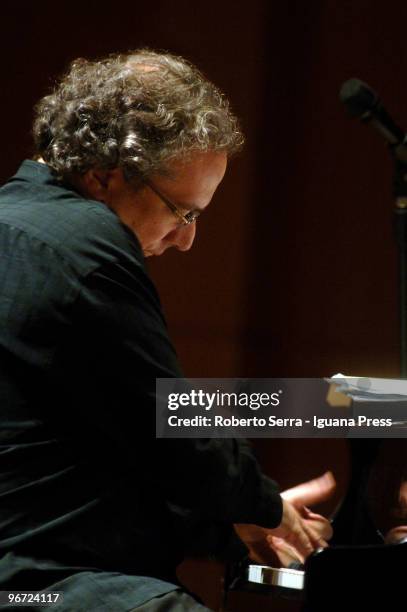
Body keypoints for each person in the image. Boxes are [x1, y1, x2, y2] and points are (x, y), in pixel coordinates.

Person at [0, 49, 333, 611]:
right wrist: (265, 505)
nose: (186, 240)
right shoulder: (88, 246)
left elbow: (88, 461)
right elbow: (172, 420)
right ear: (104, 174)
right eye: (184, 212)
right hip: (42, 587)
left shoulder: (16, 225)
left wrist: (229, 519)